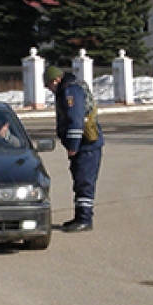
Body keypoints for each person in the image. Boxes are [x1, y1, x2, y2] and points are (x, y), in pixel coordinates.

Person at [46, 64, 102, 232]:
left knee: (84, 181)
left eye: (49, 85)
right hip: (85, 145)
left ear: (56, 80)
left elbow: (75, 120)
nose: (50, 89)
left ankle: (85, 219)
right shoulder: (69, 88)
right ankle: (80, 217)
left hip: (86, 145)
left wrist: (73, 146)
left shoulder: (70, 91)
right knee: (80, 181)